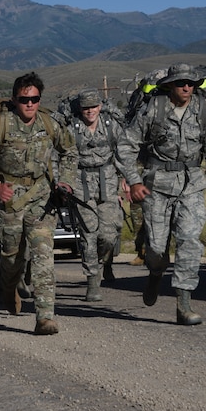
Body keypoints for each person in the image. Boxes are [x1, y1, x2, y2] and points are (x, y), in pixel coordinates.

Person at [116, 63, 206, 325]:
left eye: (191, 83)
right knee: (156, 249)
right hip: (156, 184)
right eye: (181, 83)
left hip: (192, 183)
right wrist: (134, 181)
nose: (187, 87)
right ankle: (156, 273)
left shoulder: (204, 111)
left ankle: (184, 304)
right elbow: (126, 145)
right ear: (170, 85)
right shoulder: (152, 110)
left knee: (189, 241)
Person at [0, 72, 78, 335]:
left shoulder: (49, 122)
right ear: (14, 99)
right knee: (12, 259)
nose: (30, 104)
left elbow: (69, 151)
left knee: (43, 254)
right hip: (8, 200)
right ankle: (9, 288)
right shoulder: (0, 124)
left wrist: (65, 182)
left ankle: (45, 316)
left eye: (34, 99)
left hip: (41, 197)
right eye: (24, 99)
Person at [66, 89, 127, 301]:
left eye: (93, 107)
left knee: (109, 234)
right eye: (85, 107)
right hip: (80, 181)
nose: (89, 111)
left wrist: (127, 179)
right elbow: (62, 155)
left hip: (108, 180)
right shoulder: (72, 129)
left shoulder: (111, 127)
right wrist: (63, 182)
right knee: (88, 233)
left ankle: (102, 262)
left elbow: (123, 153)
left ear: (100, 107)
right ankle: (92, 281)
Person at [124, 69, 168, 267]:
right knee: (139, 213)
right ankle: (142, 251)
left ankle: (158, 252)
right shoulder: (145, 111)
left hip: (164, 169)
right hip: (143, 167)